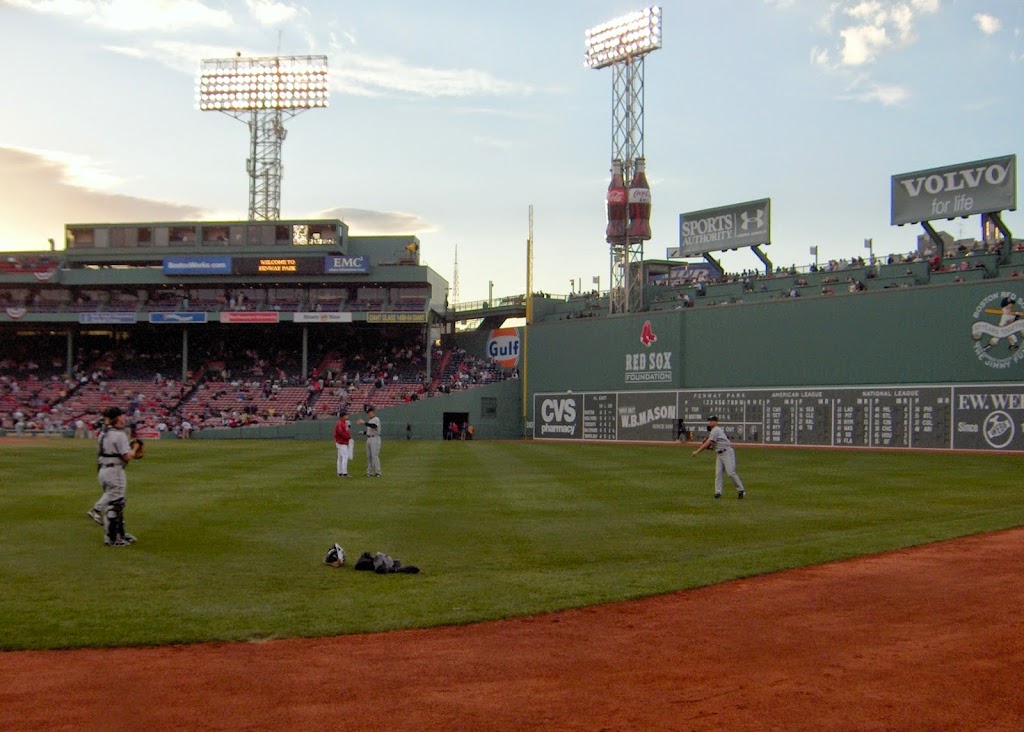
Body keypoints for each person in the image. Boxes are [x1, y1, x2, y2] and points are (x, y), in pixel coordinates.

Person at [87, 406, 142, 546]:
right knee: (116, 504)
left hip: (104, 470)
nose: (124, 418)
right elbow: (127, 456)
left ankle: (120, 534)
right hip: (114, 470)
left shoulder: (103, 433)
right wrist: (135, 448)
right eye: (122, 416)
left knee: (118, 501)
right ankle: (112, 538)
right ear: (117, 418)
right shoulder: (119, 434)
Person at [691, 415, 746, 500]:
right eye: (709, 421)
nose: (710, 422)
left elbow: (707, 443)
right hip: (720, 454)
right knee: (718, 473)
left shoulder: (716, 430)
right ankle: (718, 492)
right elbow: (712, 446)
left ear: (716, 422)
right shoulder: (713, 431)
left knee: (731, 473)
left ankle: (741, 490)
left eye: (712, 420)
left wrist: (697, 452)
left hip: (727, 452)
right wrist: (708, 447)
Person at [357, 406, 382, 477]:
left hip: (375, 438)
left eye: (369, 412)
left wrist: (364, 423)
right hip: (369, 438)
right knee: (369, 456)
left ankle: (378, 472)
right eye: (367, 412)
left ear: (372, 412)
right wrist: (363, 432)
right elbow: (370, 431)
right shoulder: (370, 420)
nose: (368, 414)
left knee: (375, 456)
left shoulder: (376, 419)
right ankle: (369, 472)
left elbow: (374, 426)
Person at [333, 408, 352, 478]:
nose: (347, 416)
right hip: (341, 442)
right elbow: (341, 433)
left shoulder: (343, 423)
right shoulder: (340, 423)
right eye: (346, 415)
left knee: (340, 458)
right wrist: (348, 437)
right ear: (342, 416)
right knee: (345, 456)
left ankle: (340, 472)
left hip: (341, 442)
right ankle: (344, 473)